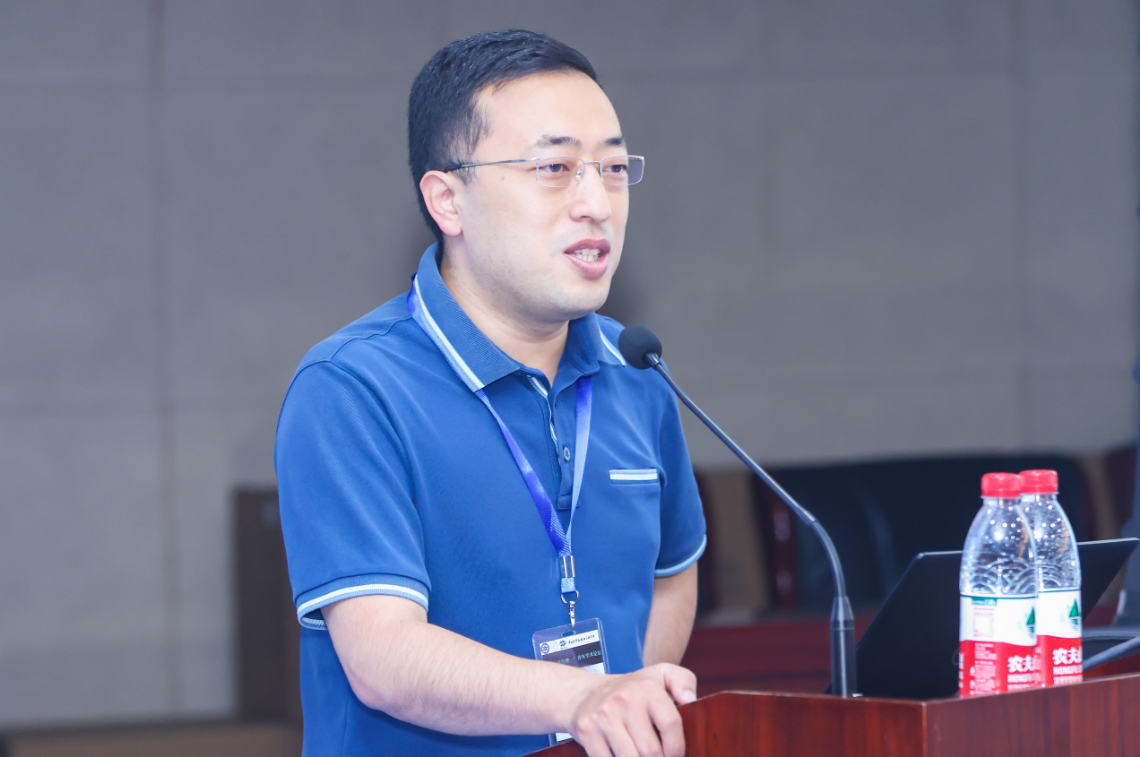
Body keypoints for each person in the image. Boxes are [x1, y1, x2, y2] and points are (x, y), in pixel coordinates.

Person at [275, 30, 707, 757]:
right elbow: (383, 655)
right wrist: (579, 696)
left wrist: (613, 718)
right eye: (554, 168)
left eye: (612, 168)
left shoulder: (635, 368)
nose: (596, 202)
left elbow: (672, 577)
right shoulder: (352, 389)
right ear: (448, 200)